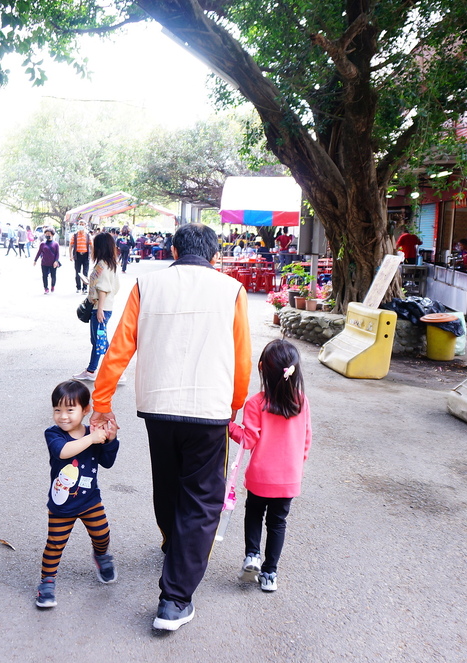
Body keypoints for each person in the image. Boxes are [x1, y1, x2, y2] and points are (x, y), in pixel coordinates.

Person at [91, 222, 252, 631]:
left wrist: (102, 403)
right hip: (209, 409)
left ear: (174, 252)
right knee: (201, 498)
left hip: (157, 407)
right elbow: (242, 358)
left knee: (166, 481)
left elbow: (119, 346)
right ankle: (175, 600)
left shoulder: (148, 286)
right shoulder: (231, 289)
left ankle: (171, 543)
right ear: (214, 257)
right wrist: (233, 407)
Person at [229, 339, 312, 593]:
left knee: (254, 513)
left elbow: (248, 439)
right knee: (278, 522)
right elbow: (306, 438)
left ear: (262, 368)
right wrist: (297, 464)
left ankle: (252, 555)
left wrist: (227, 425)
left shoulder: (256, 403)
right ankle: (269, 574)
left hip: (260, 476)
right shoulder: (301, 401)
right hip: (289, 477)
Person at [36, 380, 120, 608]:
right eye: (57, 410)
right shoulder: (54, 434)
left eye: (70, 410)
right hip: (61, 504)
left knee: (102, 534)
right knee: (55, 543)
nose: (63, 416)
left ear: (86, 410)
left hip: (90, 500)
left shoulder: (92, 433)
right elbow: (63, 452)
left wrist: (109, 440)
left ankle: (101, 556)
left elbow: (108, 462)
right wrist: (92, 439)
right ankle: (47, 582)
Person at [73, 233, 120, 382]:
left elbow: (103, 288)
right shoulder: (110, 263)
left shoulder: (102, 265)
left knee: (100, 341)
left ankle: (115, 370)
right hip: (104, 307)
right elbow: (113, 287)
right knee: (99, 341)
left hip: (99, 309)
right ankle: (92, 370)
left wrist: (99, 309)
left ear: (100, 246)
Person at [34, 228, 61, 294]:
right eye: (46, 234)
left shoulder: (56, 244)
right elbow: (39, 252)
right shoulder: (42, 244)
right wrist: (35, 260)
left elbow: (57, 253)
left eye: (49, 234)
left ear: (52, 234)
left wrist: (56, 261)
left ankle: (53, 286)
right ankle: (46, 288)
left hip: (53, 263)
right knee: (44, 276)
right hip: (44, 263)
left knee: (53, 275)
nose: (47, 235)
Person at [70, 224, 93, 294]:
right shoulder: (75, 235)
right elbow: (71, 246)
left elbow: (91, 245)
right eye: (80, 224)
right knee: (78, 272)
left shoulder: (88, 235)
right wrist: (70, 255)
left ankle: (85, 288)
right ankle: (78, 287)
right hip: (77, 255)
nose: (81, 226)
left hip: (85, 255)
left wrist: (92, 254)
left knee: (85, 272)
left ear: (85, 226)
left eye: (83, 225)